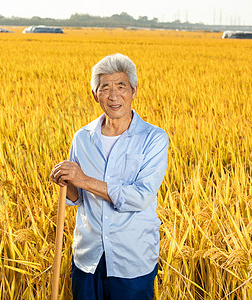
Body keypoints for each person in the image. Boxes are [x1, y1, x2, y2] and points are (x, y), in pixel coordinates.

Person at [50, 53, 169, 300]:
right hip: (88, 257)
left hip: (131, 259)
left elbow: (140, 197)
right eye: (105, 88)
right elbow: (76, 198)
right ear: (95, 95)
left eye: (121, 86)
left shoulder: (154, 138)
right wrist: (67, 181)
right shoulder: (82, 137)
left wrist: (82, 179)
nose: (113, 96)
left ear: (134, 91)